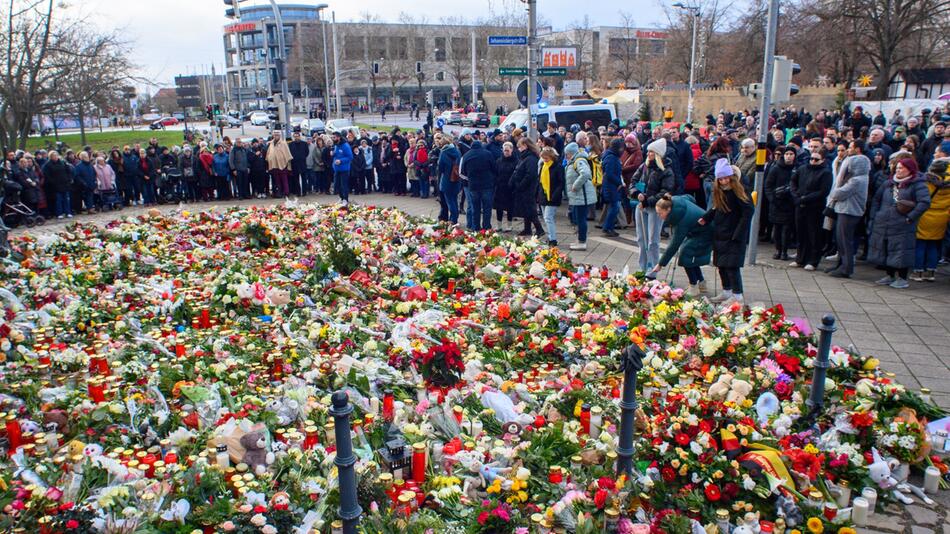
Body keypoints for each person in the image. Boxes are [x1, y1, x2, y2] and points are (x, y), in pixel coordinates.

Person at [868, 158, 931, 289]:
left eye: (901, 168)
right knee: (885, 248)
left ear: (910, 169)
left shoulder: (917, 184)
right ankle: (889, 275)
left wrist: (910, 217)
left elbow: (924, 202)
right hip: (884, 222)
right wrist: (875, 215)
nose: (898, 170)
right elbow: (876, 200)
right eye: (897, 167)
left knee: (901, 250)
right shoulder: (889, 183)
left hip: (903, 224)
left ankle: (902, 278)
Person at [699, 160, 754, 304]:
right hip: (721, 232)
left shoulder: (739, 190)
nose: (723, 181)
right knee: (721, 265)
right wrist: (706, 218)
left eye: (726, 178)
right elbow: (716, 207)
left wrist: (739, 233)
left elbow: (748, 212)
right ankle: (727, 291)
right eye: (720, 179)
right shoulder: (720, 190)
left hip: (734, 234)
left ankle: (737, 295)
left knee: (732, 267)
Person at [649, 194, 713, 296]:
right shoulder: (676, 201)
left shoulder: (681, 220)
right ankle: (701, 282)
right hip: (699, 230)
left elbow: (674, 244)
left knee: (686, 255)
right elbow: (690, 197)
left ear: (668, 209)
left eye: (660, 213)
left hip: (706, 232)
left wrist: (661, 264)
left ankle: (694, 286)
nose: (659, 216)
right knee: (692, 257)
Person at [633, 138, 675, 272]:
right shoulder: (644, 166)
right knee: (641, 238)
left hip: (654, 208)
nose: (648, 154)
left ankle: (652, 269)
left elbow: (665, 192)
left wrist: (647, 200)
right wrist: (635, 193)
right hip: (640, 205)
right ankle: (642, 267)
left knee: (653, 240)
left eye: (651, 152)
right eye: (648, 151)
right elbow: (633, 181)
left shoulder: (666, 171)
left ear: (657, 154)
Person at [825, 154, 870, 278]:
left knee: (845, 241)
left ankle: (846, 268)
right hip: (847, 211)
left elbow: (838, 193)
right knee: (841, 240)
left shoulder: (856, 180)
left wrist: (838, 184)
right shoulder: (861, 178)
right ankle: (841, 265)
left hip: (849, 212)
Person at [911, 143, 950, 281]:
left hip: (927, 213)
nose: (934, 154)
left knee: (921, 243)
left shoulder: (930, 178)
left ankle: (918, 271)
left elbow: (923, 196)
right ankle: (931, 272)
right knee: (934, 244)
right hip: (943, 215)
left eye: (937, 152)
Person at [789, 148, 832, 270]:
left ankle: (813, 261)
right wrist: (796, 195)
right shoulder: (803, 168)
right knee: (801, 233)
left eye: (816, 159)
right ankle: (800, 258)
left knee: (814, 234)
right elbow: (793, 182)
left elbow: (823, 191)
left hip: (815, 208)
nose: (812, 161)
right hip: (800, 205)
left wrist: (805, 198)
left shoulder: (826, 173)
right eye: (811, 158)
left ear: (822, 160)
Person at [763, 147, 797, 260]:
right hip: (776, 203)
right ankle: (778, 250)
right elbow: (768, 185)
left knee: (787, 230)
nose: (789, 156)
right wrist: (773, 199)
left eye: (791, 154)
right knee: (777, 229)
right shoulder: (776, 168)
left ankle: (784, 251)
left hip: (790, 204)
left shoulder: (797, 169)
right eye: (787, 154)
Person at [459, 140, 497, 231]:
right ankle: (486, 227)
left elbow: (462, 172)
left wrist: (470, 178)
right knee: (487, 208)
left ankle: (476, 227)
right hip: (487, 185)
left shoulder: (466, 155)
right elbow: (494, 168)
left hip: (473, 186)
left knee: (475, 208)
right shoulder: (488, 154)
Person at [565, 142, 595, 250]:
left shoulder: (579, 161)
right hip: (578, 196)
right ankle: (579, 239)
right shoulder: (576, 160)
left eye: (567, 154)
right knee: (578, 218)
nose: (566, 156)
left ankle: (582, 241)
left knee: (581, 219)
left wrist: (575, 185)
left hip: (581, 195)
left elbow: (585, 174)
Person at [510, 137, 543, 237]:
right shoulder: (525, 157)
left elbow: (530, 174)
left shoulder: (530, 158)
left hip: (528, 188)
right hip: (524, 187)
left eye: (519, 147)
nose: (518, 149)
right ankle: (527, 229)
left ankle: (539, 228)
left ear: (525, 146)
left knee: (530, 209)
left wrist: (520, 185)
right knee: (526, 208)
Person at [537, 146, 565, 246]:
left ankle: (553, 239)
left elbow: (561, 183)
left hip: (552, 196)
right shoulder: (543, 165)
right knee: (546, 218)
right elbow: (539, 181)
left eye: (546, 158)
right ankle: (550, 237)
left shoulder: (558, 167)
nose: (544, 160)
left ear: (551, 157)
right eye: (543, 158)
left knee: (548, 217)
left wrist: (555, 195)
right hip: (543, 195)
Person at [600, 138, 625, 237]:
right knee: (615, 207)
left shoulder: (611, 156)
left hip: (611, 186)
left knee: (614, 207)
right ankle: (607, 227)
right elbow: (609, 174)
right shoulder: (611, 158)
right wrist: (619, 183)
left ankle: (609, 227)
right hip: (611, 186)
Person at [437, 135, 462, 223]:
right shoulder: (457, 151)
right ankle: (455, 218)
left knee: (450, 202)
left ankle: (453, 220)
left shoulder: (443, 152)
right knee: (454, 200)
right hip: (456, 180)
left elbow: (440, 168)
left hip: (447, 180)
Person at [494, 141, 517, 231]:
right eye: (504, 150)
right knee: (498, 207)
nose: (506, 152)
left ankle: (509, 225)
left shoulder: (515, 161)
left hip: (510, 187)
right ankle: (499, 225)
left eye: (507, 150)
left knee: (509, 207)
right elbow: (495, 172)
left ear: (511, 150)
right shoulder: (499, 161)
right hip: (500, 187)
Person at [42, 150, 73, 218]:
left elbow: (69, 171)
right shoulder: (47, 165)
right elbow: (47, 176)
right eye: (54, 156)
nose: (55, 157)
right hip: (55, 186)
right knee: (58, 200)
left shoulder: (63, 162)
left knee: (66, 199)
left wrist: (69, 179)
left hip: (65, 184)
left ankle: (68, 212)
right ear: (51, 157)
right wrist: (53, 182)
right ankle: (59, 213)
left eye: (56, 155)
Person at [266, 132, 293, 198]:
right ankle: (279, 192)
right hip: (274, 165)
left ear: (279, 136)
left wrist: (286, 163)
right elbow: (269, 153)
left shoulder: (283, 143)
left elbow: (287, 153)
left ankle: (286, 193)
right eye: (275, 135)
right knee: (277, 180)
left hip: (282, 164)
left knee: (284, 179)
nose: (276, 136)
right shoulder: (271, 143)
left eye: (277, 135)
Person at [331, 131, 353, 205]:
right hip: (337, 169)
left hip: (344, 169)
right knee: (337, 185)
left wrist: (341, 161)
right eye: (332, 137)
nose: (333, 139)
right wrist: (333, 154)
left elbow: (350, 157)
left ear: (338, 137)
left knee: (344, 185)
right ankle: (341, 198)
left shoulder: (345, 146)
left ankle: (345, 199)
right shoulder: (336, 145)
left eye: (334, 137)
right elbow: (337, 154)